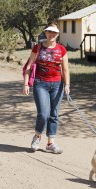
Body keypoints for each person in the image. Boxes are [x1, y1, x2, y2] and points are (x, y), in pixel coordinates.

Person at [23, 22, 70, 154]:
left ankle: (51, 143)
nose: (51, 35)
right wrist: (26, 83)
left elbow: (65, 69)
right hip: (40, 83)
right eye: (49, 32)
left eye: (54, 32)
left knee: (54, 114)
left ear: (57, 34)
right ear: (46, 33)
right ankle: (37, 136)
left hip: (57, 85)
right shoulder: (37, 48)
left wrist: (67, 85)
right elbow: (29, 66)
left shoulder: (62, 49)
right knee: (43, 114)